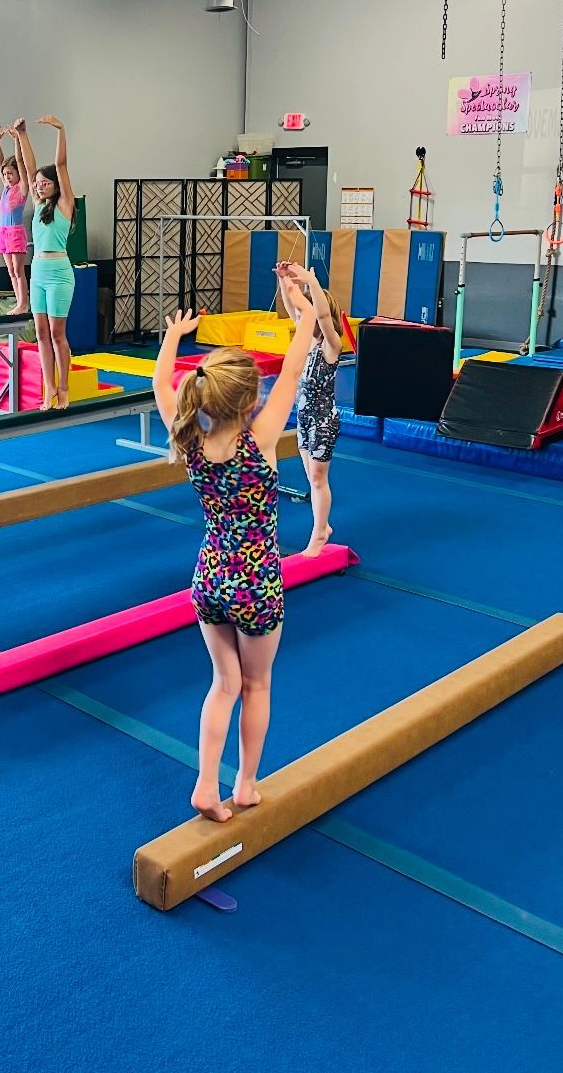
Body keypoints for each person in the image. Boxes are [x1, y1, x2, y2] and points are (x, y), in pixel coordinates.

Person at [151, 278, 316, 825]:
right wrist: (305, 308)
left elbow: (162, 385)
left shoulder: (189, 437)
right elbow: (294, 368)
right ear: (251, 400)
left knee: (222, 684)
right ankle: (243, 784)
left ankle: (204, 784)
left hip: (209, 577)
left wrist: (174, 338)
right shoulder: (261, 438)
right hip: (256, 581)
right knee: (257, 683)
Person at [277, 260, 343, 556]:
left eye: (312, 313)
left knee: (318, 479)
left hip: (322, 421)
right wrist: (285, 280)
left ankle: (319, 534)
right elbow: (293, 308)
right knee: (311, 479)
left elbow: (324, 315)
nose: (308, 318)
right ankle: (322, 526)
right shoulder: (306, 342)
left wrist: (310, 282)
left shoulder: (332, 345)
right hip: (304, 419)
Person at [13, 115, 75, 410]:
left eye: (44, 183)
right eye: (36, 184)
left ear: (55, 186)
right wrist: (23, 135)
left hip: (60, 272)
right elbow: (27, 166)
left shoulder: (65, 205)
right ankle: (48, 387)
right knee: (39, 334)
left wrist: (61, 130)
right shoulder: (37, 205)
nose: (38, 187)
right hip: (37, 270)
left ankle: (64, 388)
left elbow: (60, 165)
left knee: (56, 333)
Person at [0, 122, 30, 314]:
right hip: (3, 232)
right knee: (10, 271)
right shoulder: (6, 188)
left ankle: (24, 303)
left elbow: (21, 162)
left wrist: (16, 140)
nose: (6, 176)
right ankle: (19, 303)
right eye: (5, 174)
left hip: (15, 232)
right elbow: (0, 163)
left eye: (10, 174)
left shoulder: (21, 189)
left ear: (17, 175)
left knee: (18, 270)